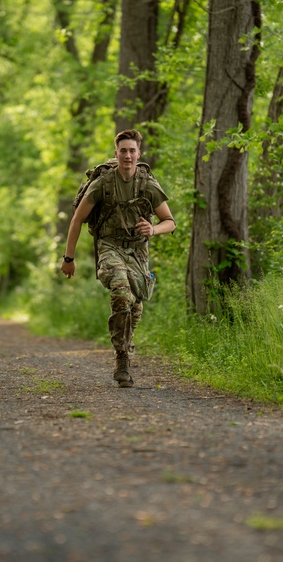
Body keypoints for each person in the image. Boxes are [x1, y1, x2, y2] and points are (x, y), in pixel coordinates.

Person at [61, 129, 175, 387]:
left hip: (137, 250)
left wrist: (153, 229)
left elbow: (170, 221)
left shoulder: (147, 184)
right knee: (121, 291)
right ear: (116, 153)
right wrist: (68, 258)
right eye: (123, 150)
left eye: (132, 150)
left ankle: (126, 349)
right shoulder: (104, 183)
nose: (127, 155)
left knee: (135, 305)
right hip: (109, 246)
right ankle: (121, 356)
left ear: (138, 154)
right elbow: (77, 219)